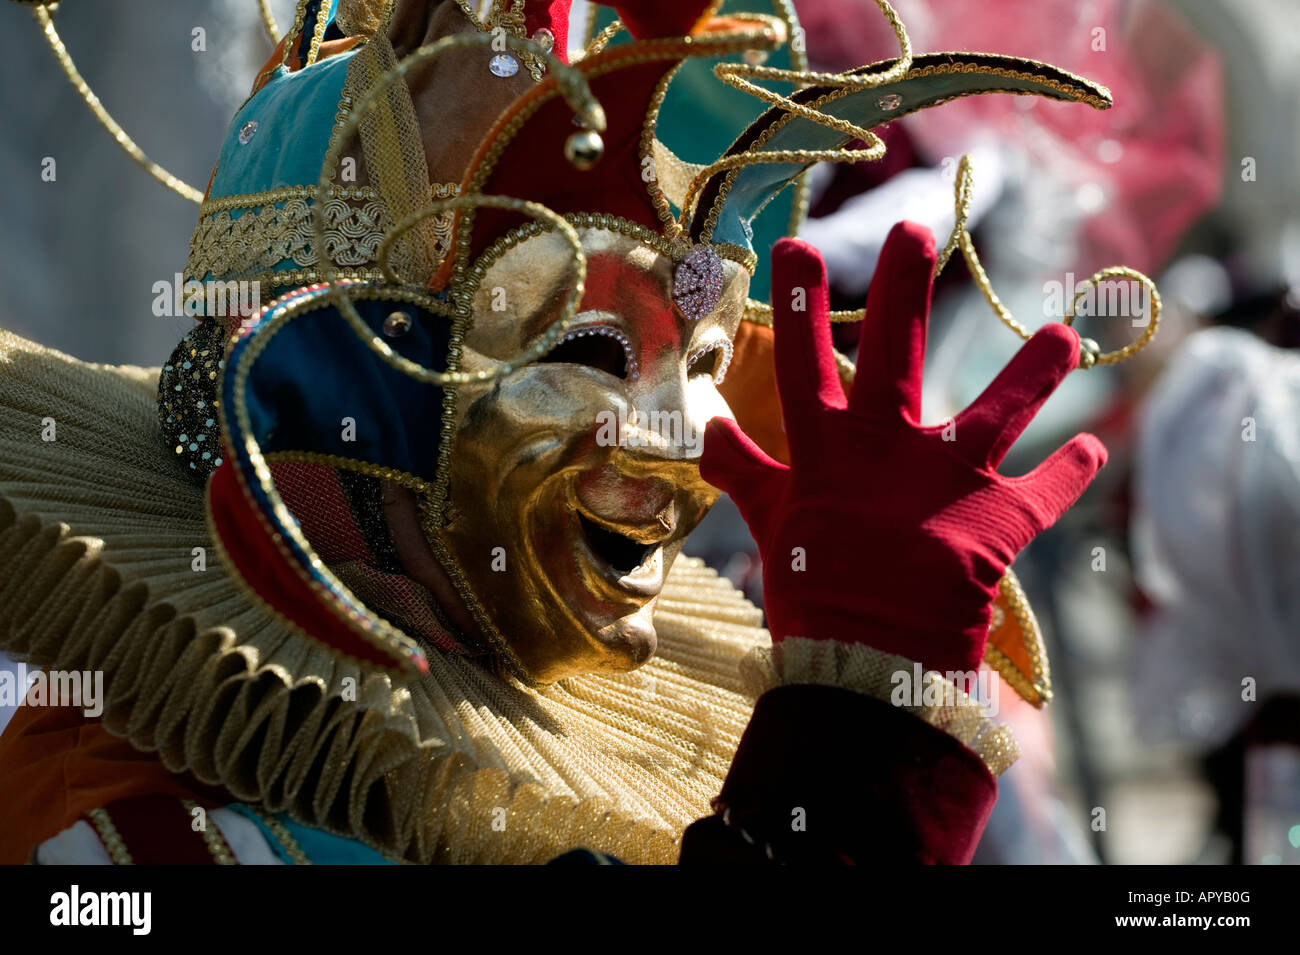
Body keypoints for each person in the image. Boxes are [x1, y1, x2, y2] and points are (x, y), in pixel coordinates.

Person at [0, 0, 1117, 864]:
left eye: (709, 363)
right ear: (338, 397)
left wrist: (877, 704)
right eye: (586, 351)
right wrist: (859, 753)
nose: (685, 442)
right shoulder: (130, 829)